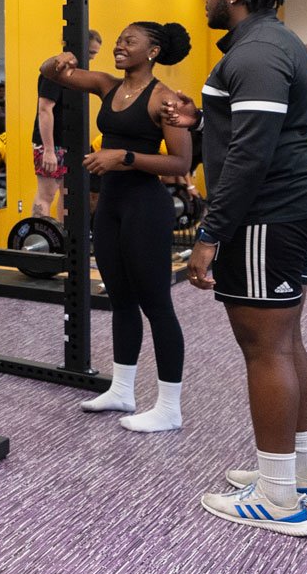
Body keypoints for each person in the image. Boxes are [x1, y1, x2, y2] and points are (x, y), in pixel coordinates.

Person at [181, 0, 307, 538]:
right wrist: (200, 121)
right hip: (287, 205)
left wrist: (210, 233)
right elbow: (244, 133)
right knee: (285, 338)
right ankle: (301, 474)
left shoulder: (259, 53)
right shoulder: (271, 45)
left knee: (264, 347)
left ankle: (277, 499)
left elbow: (250, 154)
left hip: (269, 212)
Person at [40, 21, 196, 432]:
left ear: (153, 51)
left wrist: (122, 157)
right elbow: (50, 73)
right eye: (119, 39)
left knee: (157, 306)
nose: (119, 46)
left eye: (130, 41)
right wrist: (59, 60)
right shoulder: (108, 86)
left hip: (146, 207)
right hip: (110, 206)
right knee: (120, 300)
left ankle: (169, 407)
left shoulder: (164, 99)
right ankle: (122, 389)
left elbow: (180, 163)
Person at [31, 30, 99, 221]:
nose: (91, 58)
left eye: (94, 54)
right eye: (90, 52)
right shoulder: (55, 69)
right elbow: (44, 110)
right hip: (51, 144)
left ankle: (64, 243)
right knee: (47, 194)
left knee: (68, 194)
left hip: (71, 143)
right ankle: (39, 243)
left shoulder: (79, 74)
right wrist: (49, 150)